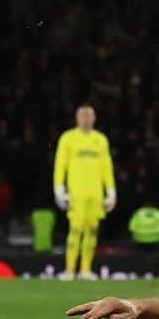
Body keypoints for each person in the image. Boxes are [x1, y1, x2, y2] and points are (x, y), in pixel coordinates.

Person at [53, 105, 116, 280]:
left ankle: (86, 269)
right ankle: (69, 269)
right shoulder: (68, 138)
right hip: (76, 193)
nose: (86, 118)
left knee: (92, 230)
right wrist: (59, 189)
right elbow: (60, 165)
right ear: (77, 118)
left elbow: (106, 167)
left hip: (95, 193)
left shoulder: (100, 140)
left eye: (89, 115)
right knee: (75, 229)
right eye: (83, 115)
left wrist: (111, 192)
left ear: (94, 118)